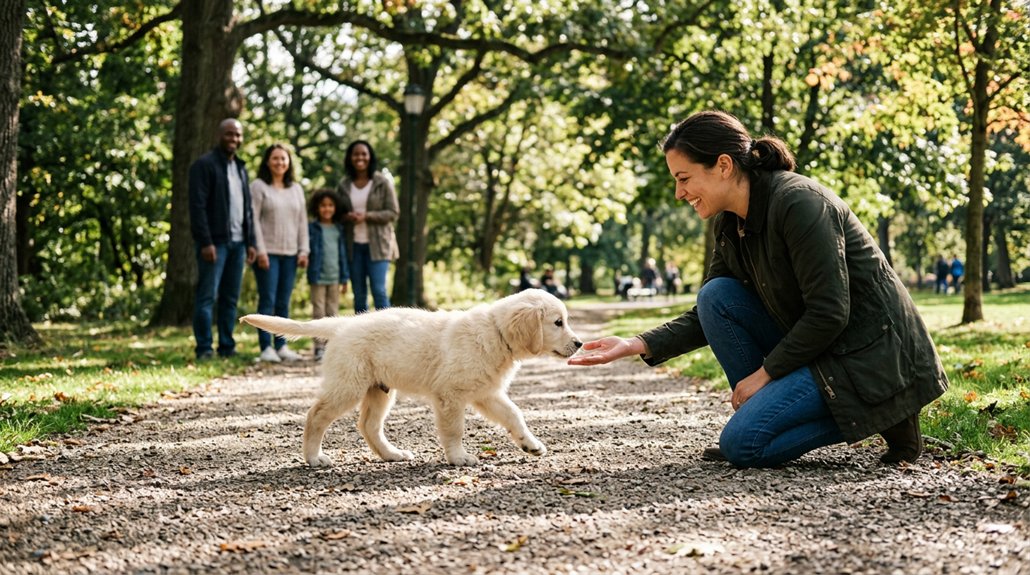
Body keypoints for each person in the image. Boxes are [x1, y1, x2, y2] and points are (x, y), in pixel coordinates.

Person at [569, 110, 949, 468]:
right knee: (715, 296)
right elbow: (710, 314)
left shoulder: (800, 203)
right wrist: (636, 344)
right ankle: (767, 417)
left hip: (870, 357)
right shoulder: (730, 224)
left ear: (723, 165)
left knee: (743, 445)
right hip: (823, 350)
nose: (679, 194)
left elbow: (830, 311)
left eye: (684, 179)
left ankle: (890, 410)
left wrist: (764, 374)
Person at [189, 118, 256, 360]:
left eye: (237, 135)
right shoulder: (204, 165)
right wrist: (205, 241)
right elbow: (197, 207)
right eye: (229, 134)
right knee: (207, 297)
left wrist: (251, 242)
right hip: (214, 243)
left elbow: (247, 209)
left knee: (230, 299)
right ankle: (204, 348)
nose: (234, 139)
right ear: (219, 135)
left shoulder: (240, 167)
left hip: (239, 244)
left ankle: (227, 346)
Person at [251, 143, 309, 362]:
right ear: (268, 161)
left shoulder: (296, 189)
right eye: (275, 158)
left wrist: (304, 250)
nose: (279, 162)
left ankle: (282, 346)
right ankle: (266, 347)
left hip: (291, 254)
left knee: (284, 301)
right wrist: (260, 250)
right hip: (268, 253)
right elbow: (253, 220)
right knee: (268, 300)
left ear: (289, 162)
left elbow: (302, 222)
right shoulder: (258, 186)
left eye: (283, 159)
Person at [335, 140, 399, 312]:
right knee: (359, 294)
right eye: (356, 154)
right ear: (350, 158)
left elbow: (393, 212)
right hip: (353, 246)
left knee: (379, 291)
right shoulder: (344, 185)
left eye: (364, 153)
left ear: (370, 157)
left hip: (379, 245)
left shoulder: (382, 182)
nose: (360, 157)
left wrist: (366, 216)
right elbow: (335, 213)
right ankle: (361, 336)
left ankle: (386, 336)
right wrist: (346, 216)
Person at [307, 188, 350, 361]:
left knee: (333, 312)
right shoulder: (313, 228)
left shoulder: (338, 229)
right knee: (318, 311)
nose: (327, 209)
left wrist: (345, 278)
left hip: (335, 277)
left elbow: (343, 255)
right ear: (317, 208)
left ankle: (331, 347)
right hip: (318, 276)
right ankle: (318, 346)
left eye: (330, 205)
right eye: (323, 206)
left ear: (335, 208)